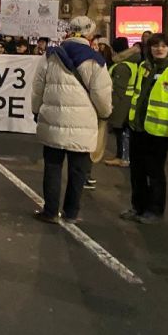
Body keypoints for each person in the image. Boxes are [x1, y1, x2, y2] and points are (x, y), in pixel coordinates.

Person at [31, 16, 112, 224]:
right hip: (83, 124)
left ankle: (50, 211)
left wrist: (36, 110)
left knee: (52, 167)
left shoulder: (50, 56)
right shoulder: (96, 61)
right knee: (78, 171)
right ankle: (71, 212)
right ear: (90, 35)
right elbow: (102, 96)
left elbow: (37, 87)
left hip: (52, 120)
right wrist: (104, 114)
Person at [121, 33, 168, 224]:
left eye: (163, 46)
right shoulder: (144, 67)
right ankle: (138, 207)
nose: (159, 49)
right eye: (155, 46)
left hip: (159, 131)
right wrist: (128, 119)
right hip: (138, 127)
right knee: (137, 171)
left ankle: (155, 210)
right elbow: (136, 94)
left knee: (155, 173)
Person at [105, 36, 141, 168]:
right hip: (127, 99)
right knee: (123, 131)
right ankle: (122, 156)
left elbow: (119, 87)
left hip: (122, 101)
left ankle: (123, 157)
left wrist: (112, 103)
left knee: (121, 130)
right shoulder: (131, 63)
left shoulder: (122, 66)